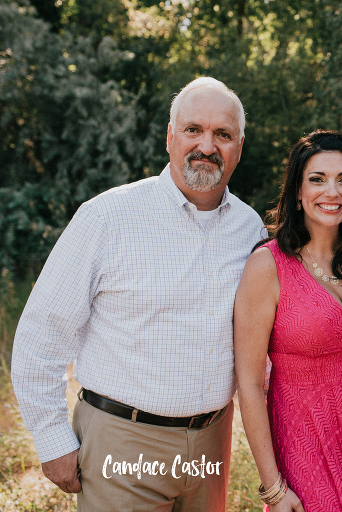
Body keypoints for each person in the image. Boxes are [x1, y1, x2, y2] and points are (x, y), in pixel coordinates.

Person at [11, 77, 264, 511]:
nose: (207, 145)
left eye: (222, 134)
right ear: (170, 137)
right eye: (193, 130)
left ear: (239, 145)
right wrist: (52, 439)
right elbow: (42, 333)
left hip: (211, 445)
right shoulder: (107, 217)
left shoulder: (250, 230)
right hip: (121, 441)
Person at [234, 130, 342, 512]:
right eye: (317, 179)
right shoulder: (266, 266)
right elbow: (250, 384)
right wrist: (273, 487)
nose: (332, 192)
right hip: (307, 442)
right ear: (298, 192)